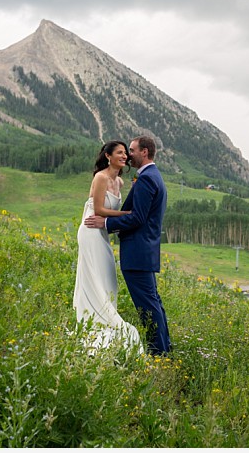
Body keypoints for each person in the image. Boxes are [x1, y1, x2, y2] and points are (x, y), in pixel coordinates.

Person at [84, 135, 171, 356]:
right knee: (153, 303)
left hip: (138, 251)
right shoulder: (152, 176)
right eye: (124, 151)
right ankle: (164, 349)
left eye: (131, 150)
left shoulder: (147, 179)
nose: (128, 155)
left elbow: (137, 217)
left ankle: (158, 353)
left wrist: (106, 222)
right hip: (143, 251)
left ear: (144, 152)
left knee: (148, 307)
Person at [73, 140, 142, 354]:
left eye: (125, 153)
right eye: (120, 153)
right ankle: (93, 317)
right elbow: (100, 210)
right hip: (91, 230)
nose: (124, 156)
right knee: (93, 274)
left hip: (102, 232)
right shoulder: (100, 177)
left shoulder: (120, 182)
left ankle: (106, 312)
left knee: (107, 275)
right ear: (108, 156)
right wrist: (127, 215)